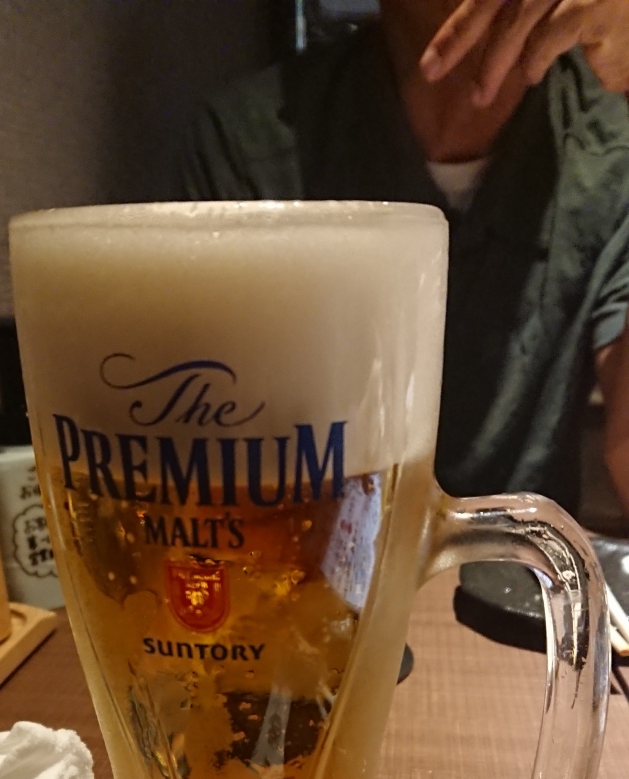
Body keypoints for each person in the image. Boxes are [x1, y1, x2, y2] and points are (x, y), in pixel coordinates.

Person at [180, 0, 629, 519]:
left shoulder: (611, 140)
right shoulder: (247, 142)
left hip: (525, 562)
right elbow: (217, 481)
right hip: (313, 556)